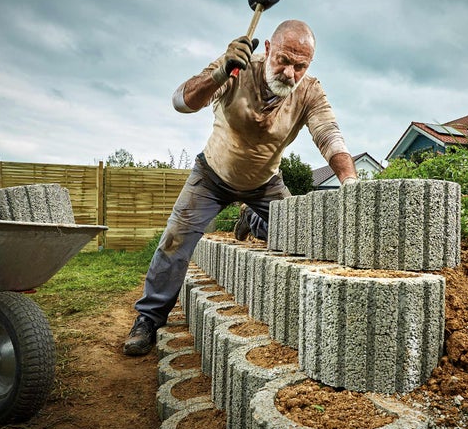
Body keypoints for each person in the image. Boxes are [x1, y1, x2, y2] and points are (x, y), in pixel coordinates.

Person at [123, 20, 358, 356]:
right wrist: (220, 73)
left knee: (299, 234)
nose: (289, 74)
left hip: (264, 184)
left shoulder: (309, 91)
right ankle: (148, 318)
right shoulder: (236, 66)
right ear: (268, 50)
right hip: (211, 176)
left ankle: (253, 219)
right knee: (175, 240)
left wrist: (350, 183)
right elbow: (181, 101)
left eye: (300, 66)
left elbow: (330, 137)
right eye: (283, 61)